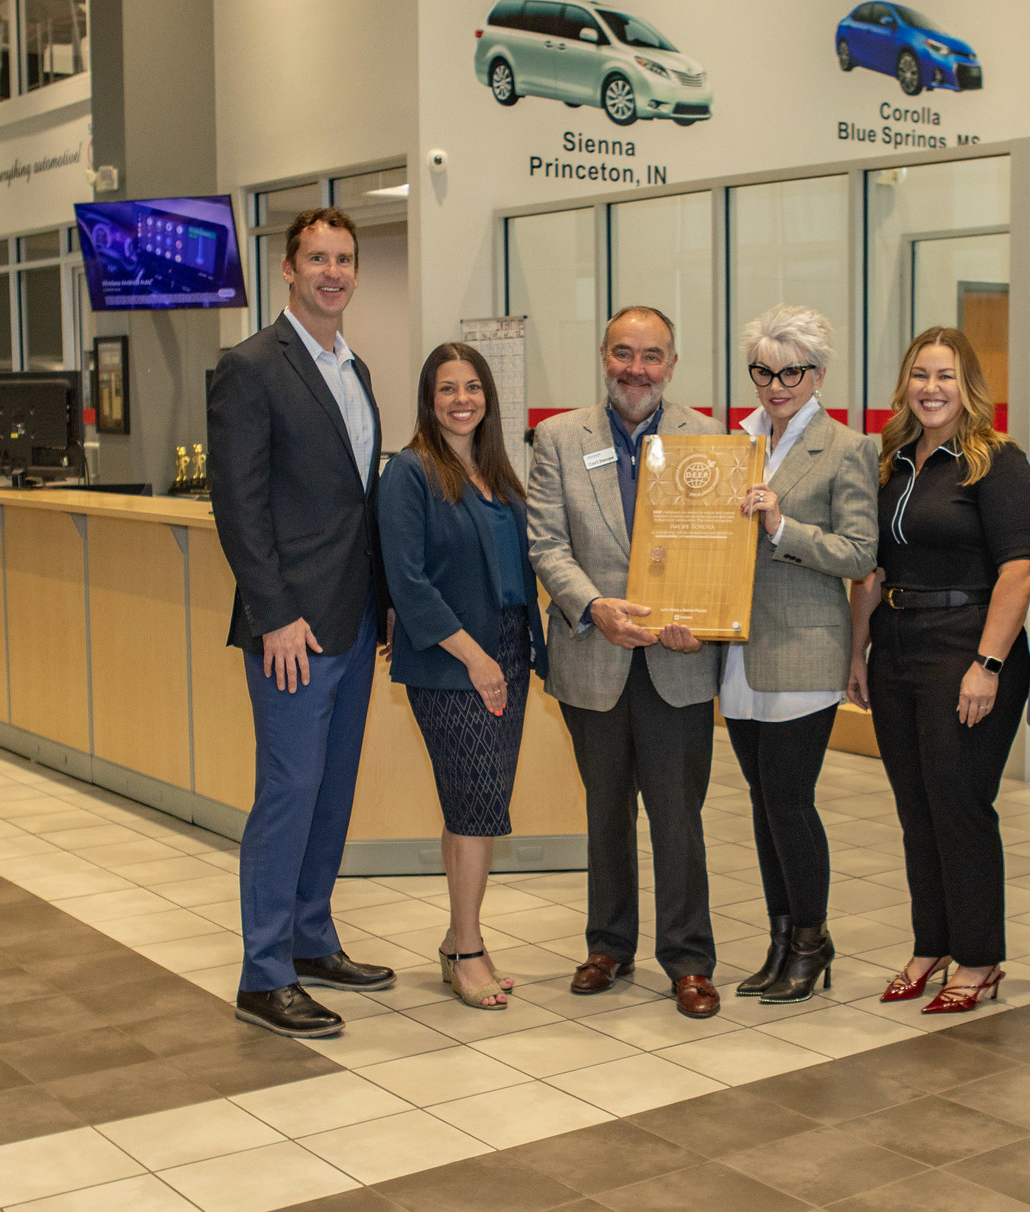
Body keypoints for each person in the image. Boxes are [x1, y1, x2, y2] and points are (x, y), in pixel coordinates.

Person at [207, 207, 397, 1038]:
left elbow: (358, 503)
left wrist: (382, 603)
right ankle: (264, 972)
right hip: (293, 629)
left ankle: (313, 938)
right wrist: (274, 614)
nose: (332, 272)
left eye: (344, 259)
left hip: (352, 621)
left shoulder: (354, 370)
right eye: (316, 258)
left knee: (332, 788)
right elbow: (238, 504)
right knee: (288, 790)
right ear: (288, 268)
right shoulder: (250, 366)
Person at [527, 306, 726, 1019]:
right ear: (603, 357)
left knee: (679, 817)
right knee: (604, 811)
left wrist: (702, 619)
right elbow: (546, 543)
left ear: (672, 365)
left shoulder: (710, 440)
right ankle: (607, 945)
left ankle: (689, 960)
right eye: (622, 353)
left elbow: (720, 552)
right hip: (593, 653)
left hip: (678, 662)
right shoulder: (557, 438)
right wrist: (593, 608)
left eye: (651, 356)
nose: (635, 369)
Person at [847, 327, 1030, 1015]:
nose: (931, 388)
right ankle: (931, 943)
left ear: (970, 386)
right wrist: (856, 652)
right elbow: (871, 570)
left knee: (958, 805)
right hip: (897, 644)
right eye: (921, 375)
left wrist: (987, 664)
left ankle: (980, 957)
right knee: (915, 808)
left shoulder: (996, 461)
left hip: (967, 646)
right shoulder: (891, 460)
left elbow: (1019, 570)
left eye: (947, 376)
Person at [378, 343, 547, 1010]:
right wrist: (474, 659)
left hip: (508, 649)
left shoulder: (500, 476)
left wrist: (516, 655)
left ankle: (458, 938)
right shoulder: (412, 473)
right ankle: (470, 948)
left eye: (472, 387)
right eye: (447, 388)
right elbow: (408, 581)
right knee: (477, 806)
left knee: (467, 805)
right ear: (429, 398)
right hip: (454, 662)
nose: (461, 400)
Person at [723, 305, 878, 1005]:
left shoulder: (846, 448)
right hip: (739, 650)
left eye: (791, 372)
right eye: (763, 371)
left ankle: (812, 942)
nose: (775, 385)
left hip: (807, 648)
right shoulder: (737, 441)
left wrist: (781, 525)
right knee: (761, 804)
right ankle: (781, 938)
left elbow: (860, 553)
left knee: (789, 800)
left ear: (818, 374)